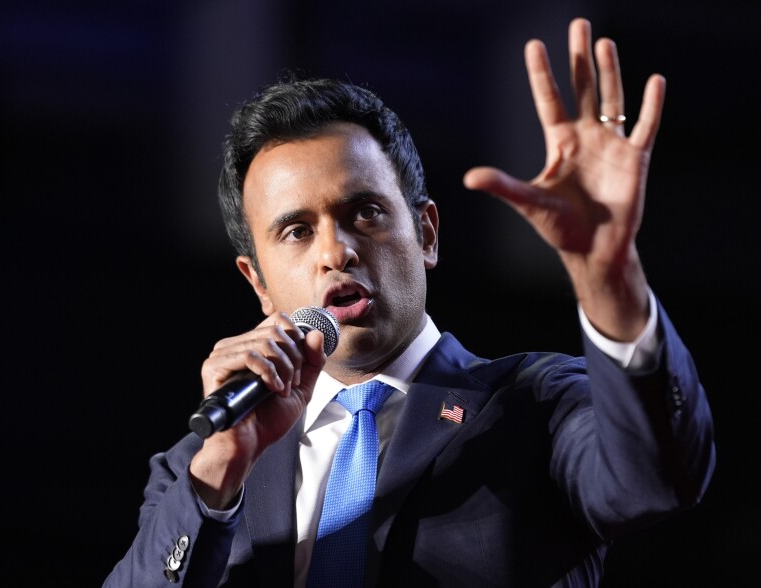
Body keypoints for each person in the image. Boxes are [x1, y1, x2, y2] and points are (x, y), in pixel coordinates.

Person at [103, 17, 715, 588]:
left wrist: (612, 278)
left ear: (426, 234)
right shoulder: (201, 462)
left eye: (364, 213)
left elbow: (658, 477)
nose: (335, 252)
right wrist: (218, 473)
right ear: (257, 282)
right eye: (297, 231)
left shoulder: (538, 403)